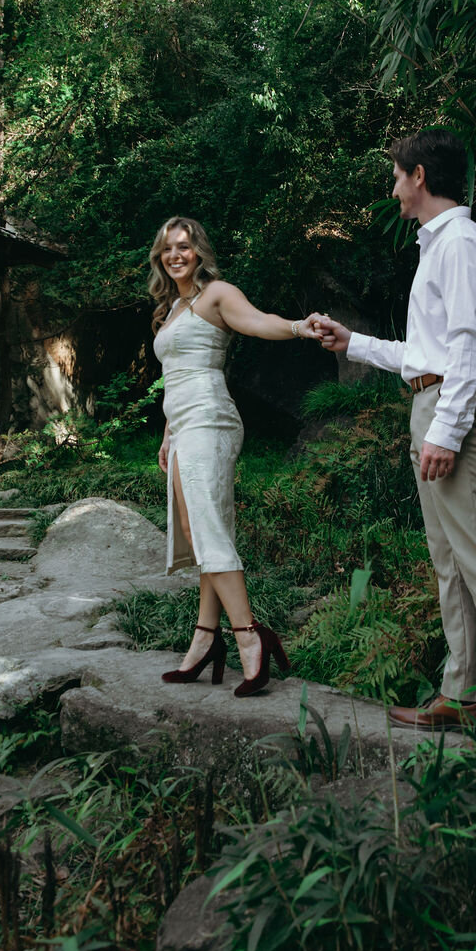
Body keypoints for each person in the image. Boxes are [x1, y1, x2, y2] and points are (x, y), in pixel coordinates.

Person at [313, 130, 476, 739]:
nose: (392, 187)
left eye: (396, 176)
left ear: (420, 176)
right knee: (450, 560)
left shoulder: (459, 245)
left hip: (453, 408)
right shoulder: (442, 247)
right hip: (434, 401)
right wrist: (353, 342)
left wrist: (447, 432)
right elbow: (427, 351)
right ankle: (466, 693)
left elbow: (467, 349)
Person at [149, 215, 315, 696]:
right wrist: (166, 433)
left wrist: (298, 327)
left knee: (208, 530)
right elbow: (175, 375)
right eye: (166, 250)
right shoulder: (172, 308)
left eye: (183, 246)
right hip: (182, 428)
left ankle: (249, 636)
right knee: (194, 531)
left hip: (210, 420)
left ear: (198, 250)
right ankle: (206, 638)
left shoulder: (216, 294)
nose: (175, 255)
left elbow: (257, 322)